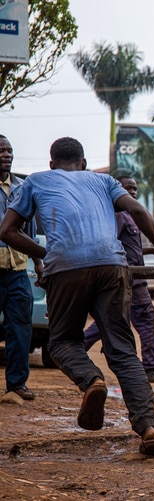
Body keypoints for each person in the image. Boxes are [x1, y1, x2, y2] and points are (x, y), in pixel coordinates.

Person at [0, 137, 154, 456]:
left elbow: (7, 231)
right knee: (122, 349)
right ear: (84, 162)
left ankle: (92, 381)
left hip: (65, 268)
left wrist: (46, 254)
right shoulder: (104, 181)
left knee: (62, 342)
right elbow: (138, 211)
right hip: (112, 264)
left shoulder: (34, 181)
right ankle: (149, 428)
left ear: (52, 164)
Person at [82, 175, 154, 384]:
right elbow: (112, 244)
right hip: (130, 278)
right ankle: (151, 367)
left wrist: (152, 249)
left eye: (134, 189)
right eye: (128, 188)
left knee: (108, 320)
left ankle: (73, 352)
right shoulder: (118, 216)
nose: (132, 192)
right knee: (146, 319)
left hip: (129, 276)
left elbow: (130, 248)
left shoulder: (126, 216)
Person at [0, 134, 39, 401]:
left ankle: (16, 384)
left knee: (20, 327)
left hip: (17, 271)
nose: (6, 154)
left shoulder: (22, 188)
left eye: (9, 150)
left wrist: (39, 261)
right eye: (1, 150)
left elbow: (32, 232)